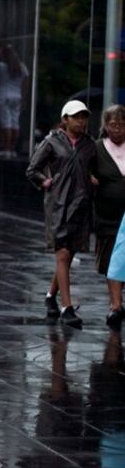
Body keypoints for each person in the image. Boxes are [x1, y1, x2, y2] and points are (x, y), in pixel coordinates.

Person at [26, 100, 96, 328]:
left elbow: (94, 168)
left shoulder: (89, 145)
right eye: (76, 117)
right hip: (58, 206)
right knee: (63, 255)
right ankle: (67, 308)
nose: (81, 121)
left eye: (84, 117)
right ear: (65, 119)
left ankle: (50, 296)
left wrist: (93, 178)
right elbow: (32, 170)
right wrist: (44, 181)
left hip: (81, 206)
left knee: (69, 254)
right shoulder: (51, 142)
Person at [92, 106, 125, 328]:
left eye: (122, 124)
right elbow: (83, 167)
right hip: (108, 214)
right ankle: (115, 305)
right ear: (106, 125)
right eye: (113, 124)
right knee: (112, 260)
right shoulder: (97, 148)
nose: (118, 129)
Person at [0, 46, 28, 158]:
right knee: (15, 123)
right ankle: (12, 149)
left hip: (4, 95)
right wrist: (23, 97)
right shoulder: (22, 67)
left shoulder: (2, 67)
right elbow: (26, 81)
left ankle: (6, 149)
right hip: (17, 96)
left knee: (6, 122)